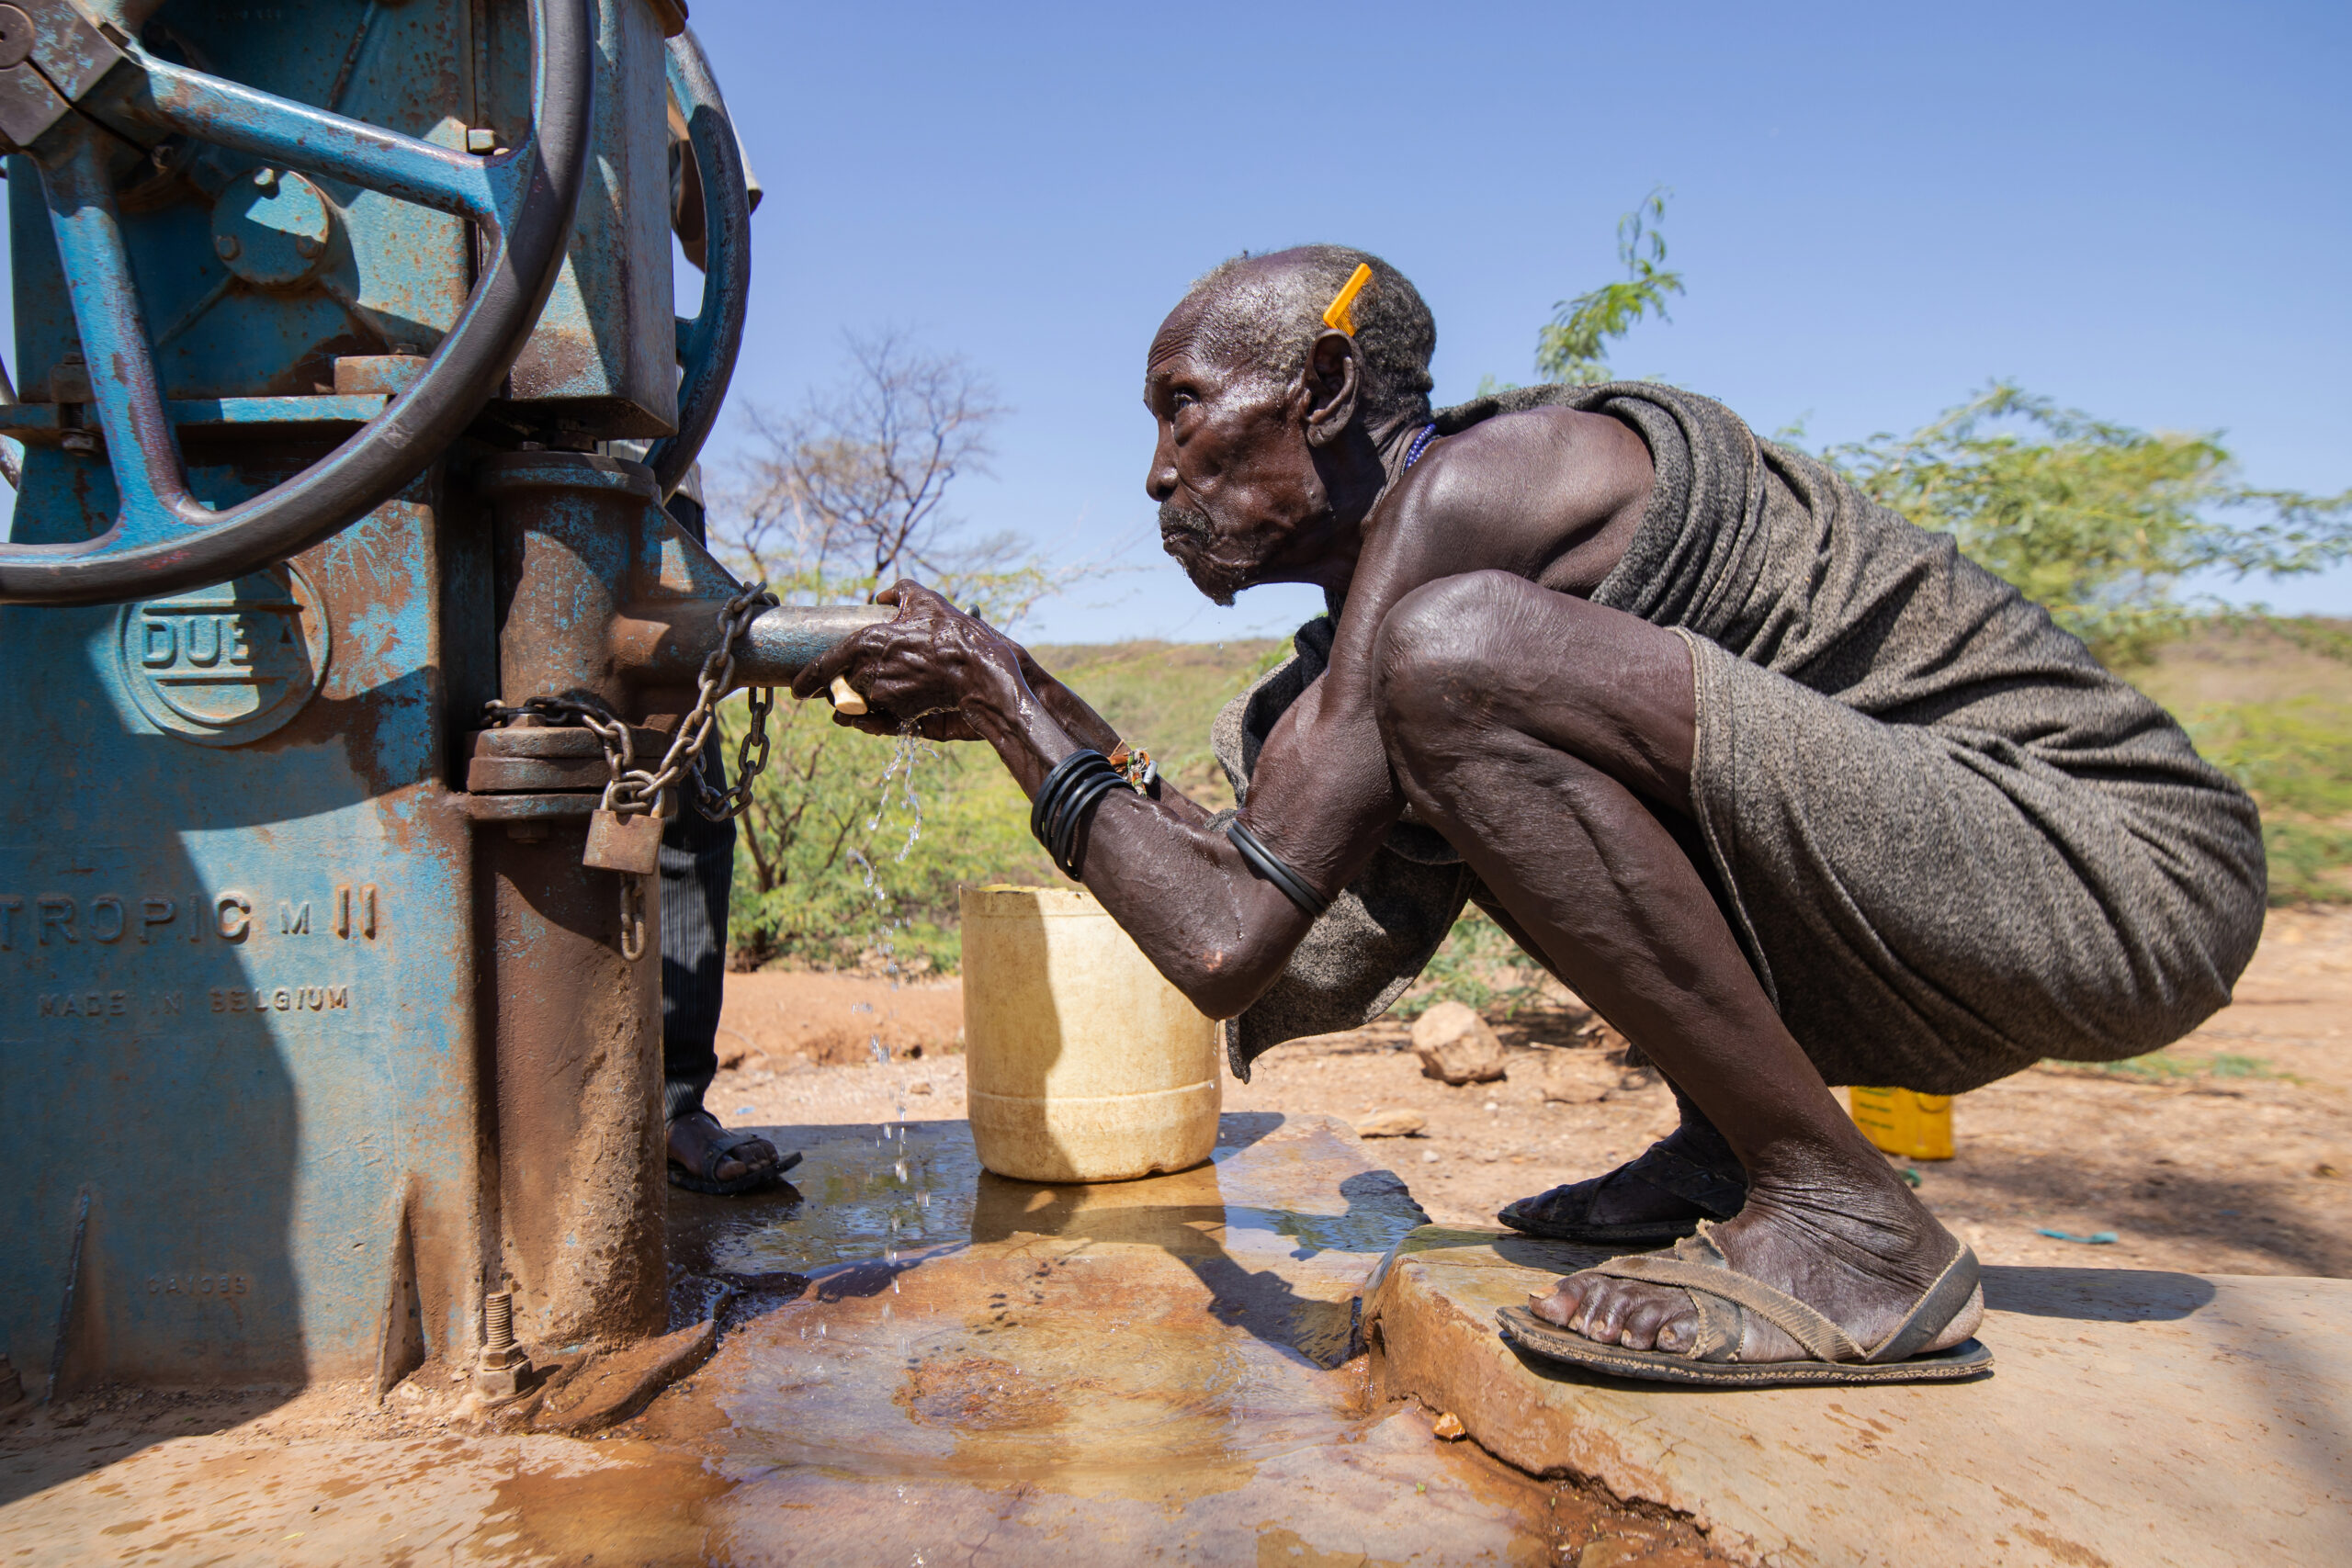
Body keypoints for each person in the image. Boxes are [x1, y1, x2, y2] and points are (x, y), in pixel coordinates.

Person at [792, 247, 2265, 1385]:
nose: (1160, 471)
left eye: (1184, 408)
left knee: (1458, 661)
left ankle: (1849, 1223)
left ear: (1315, 388)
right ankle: (1738, 1151)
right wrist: (1026, 696)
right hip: (1965, 893)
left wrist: (1003, 701)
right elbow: (1290, 935)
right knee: (1453, 686)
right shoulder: (1392, 627)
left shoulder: (1490, 491)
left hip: (2117, 870)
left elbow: (1234, 934)